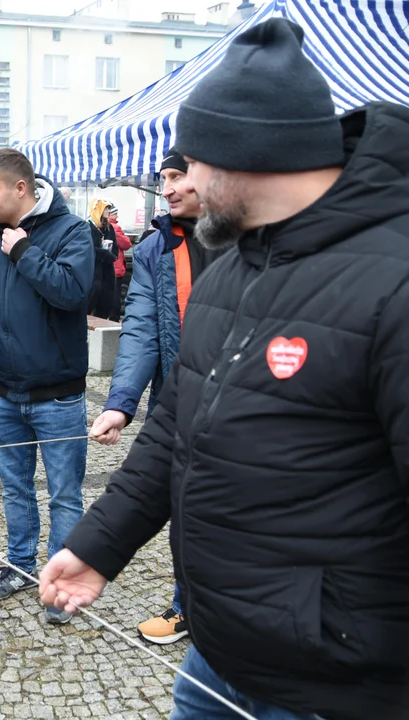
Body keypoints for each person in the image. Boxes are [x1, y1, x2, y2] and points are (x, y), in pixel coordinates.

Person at [40, 18, 409, 720]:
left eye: (192, 165)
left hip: (332, 686)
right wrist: (97, 547)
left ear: (246, 154)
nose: (183, 184)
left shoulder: (394, 278)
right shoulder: (228, 266)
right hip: (218, 657)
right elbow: (174, 426)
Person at [88, 148, 222, 646]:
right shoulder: (155, 247)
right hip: (179, 403)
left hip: (243, 405)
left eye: (177, 176)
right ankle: (185, 606)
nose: (165, 188)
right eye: (162, 177)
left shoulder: (255, 240)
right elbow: (141, 329)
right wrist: (120, 403)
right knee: (182, 507)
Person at [0, 149, 92, 620]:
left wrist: (22, 251)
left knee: (64, 492)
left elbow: (72, 291)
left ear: (21, 188)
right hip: (3, 396)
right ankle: (19, 565)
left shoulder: (73, 230)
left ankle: (63, 582)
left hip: (58, 395)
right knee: (15, 488)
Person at [86, 199, 118, 319]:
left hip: (107, 272)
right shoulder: (87, 227)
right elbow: (88, 249)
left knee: (106, 303)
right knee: (90, 301)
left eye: (109, 208)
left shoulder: (109, 228)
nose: (109, 211)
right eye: (106, 208)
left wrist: (111, 255)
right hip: (93, 271)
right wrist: (104, 254)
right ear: (97, 209)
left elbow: (115, 250)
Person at [106, 205, 132, 320]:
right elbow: (126, 244)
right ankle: (114, 317)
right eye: (115, 214)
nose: (117, 216)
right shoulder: (115, 227)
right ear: (111, 214)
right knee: (115, 294)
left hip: (107, 265)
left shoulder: (102, 225)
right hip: (116, 266)